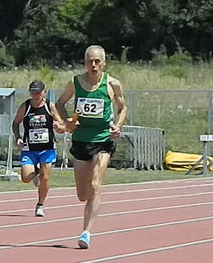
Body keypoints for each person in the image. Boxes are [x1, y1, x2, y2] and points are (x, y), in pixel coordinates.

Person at [56, 45, 127, 249]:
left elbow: (122, 108)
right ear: (84, 63)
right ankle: (89, 203)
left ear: (103, 63)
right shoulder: (75, 82)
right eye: (90, 61)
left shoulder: (112, 84)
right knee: (82, 194)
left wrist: (117, 125)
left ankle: (86, 232)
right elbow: (60, 103)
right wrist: (67, 121)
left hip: (103, 138)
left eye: (97, 61)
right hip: (81, 139)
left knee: (96, 184)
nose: (93, 65)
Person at [12, 80, 65, 217]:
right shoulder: (26, 106)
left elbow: (60, 124)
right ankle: (35, 172)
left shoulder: (49, 106)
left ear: (44, 92)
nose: (35, 96)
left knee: (45, 177)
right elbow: (16, 123)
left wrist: (59, 127)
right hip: (29, 149)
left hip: (47, 148)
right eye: (33, 92)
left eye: (38, 93)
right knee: (25, 178)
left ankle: (40, 205)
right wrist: (18, 137)